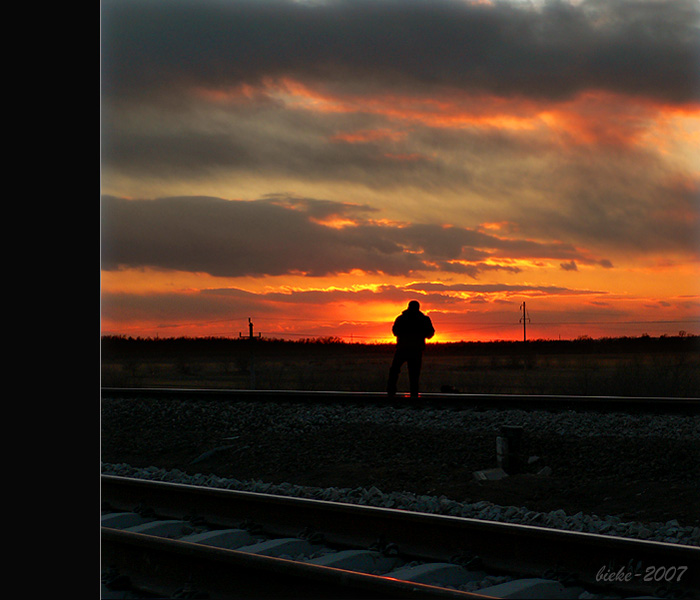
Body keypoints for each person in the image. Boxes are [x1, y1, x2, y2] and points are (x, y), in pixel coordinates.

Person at [387, 300, 435, 399]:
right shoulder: (423, 319)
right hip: (416, 350)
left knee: (395, 370)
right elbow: (430, 334)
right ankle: (414, 393)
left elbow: (395, 331)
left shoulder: (401, 318)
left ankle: (391, 391)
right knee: (414, 373)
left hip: (402, 348)